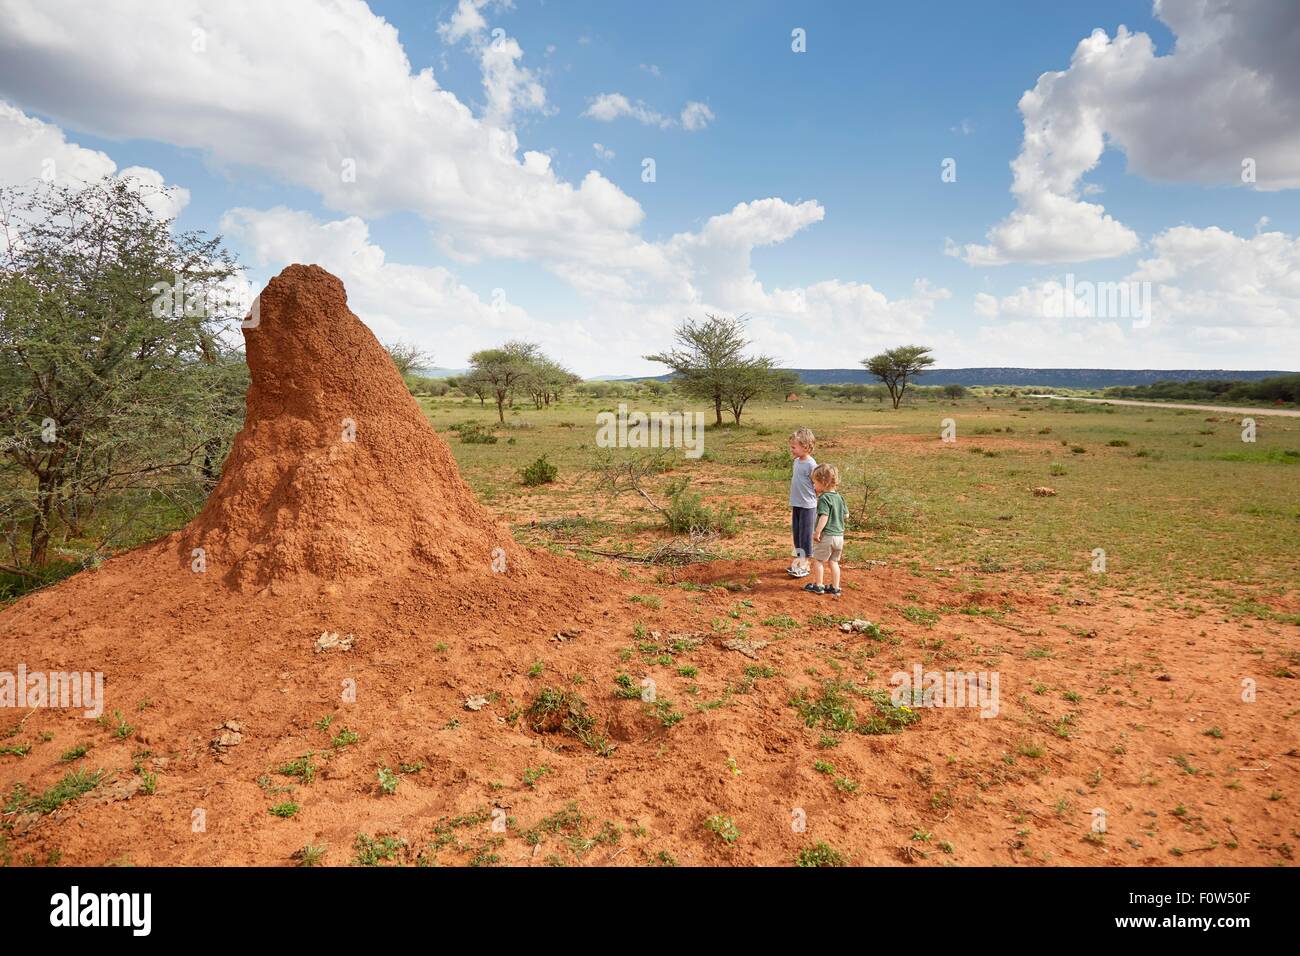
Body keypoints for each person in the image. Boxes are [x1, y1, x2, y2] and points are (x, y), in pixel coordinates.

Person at [804, 463, 847, 596]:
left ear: (823, 482)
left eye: (815, 482)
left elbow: (824, 516)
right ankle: (835, 588)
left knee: (818, 560)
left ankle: (819, 585)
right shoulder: (840, 497)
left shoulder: (824, 498)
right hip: (839, 536)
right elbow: (846, 515)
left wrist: (817, 532)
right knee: (834, 562)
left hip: (827, 535)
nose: (814, 486)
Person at [787, 427, 817, 578]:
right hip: (797, 504)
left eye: (794, 447)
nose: (791, 450)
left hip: (808, 506)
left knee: (805, 535)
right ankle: (800, 560)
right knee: (797, 534)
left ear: (805, 446)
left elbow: (816, 484)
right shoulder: (797, 461)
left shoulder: (811, 464)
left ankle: (805, 564)